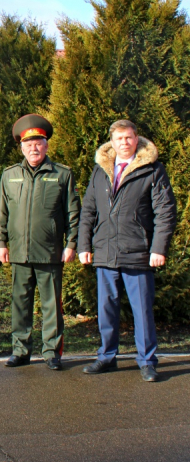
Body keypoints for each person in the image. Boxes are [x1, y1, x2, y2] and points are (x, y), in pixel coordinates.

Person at [78, 120, 176, 382]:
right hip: (105, 252)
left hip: (138, 253)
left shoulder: (152, 170)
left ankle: (147, 361)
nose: (124, 142)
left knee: (142, 310)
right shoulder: (100, 171)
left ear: (137, 139)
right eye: (119, 138)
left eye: (129, 137)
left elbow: (165, 212)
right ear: (112, 142)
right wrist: (84, 245)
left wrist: (158, 248)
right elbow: (88, 210)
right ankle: (106, 357)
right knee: (106, 308)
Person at [0, 114, 80, 370]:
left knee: (51, 304)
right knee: (20, 303)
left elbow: (73, 213)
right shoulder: (10, 175)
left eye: (38, 142)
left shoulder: (62, 175)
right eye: (28, 144)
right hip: (18, 252)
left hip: (51, 252)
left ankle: (52, 352)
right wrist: (1, 243)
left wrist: (71, 244)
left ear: (46, 145)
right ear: (21, 147)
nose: (33, 148)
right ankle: (20, 350)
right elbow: (1, 212)